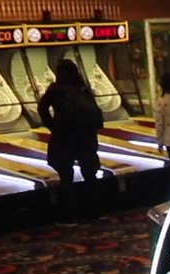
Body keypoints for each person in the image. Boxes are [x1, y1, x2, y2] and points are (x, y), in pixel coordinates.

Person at [38, 59, 104, 226]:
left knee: (66, 178)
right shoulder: (83, 88)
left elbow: (42, 108)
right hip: (86, 137)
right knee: (90, 176)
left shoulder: (55, 90)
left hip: (64, 136)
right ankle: (94, 213)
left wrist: (52, 126)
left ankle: (69, 216)